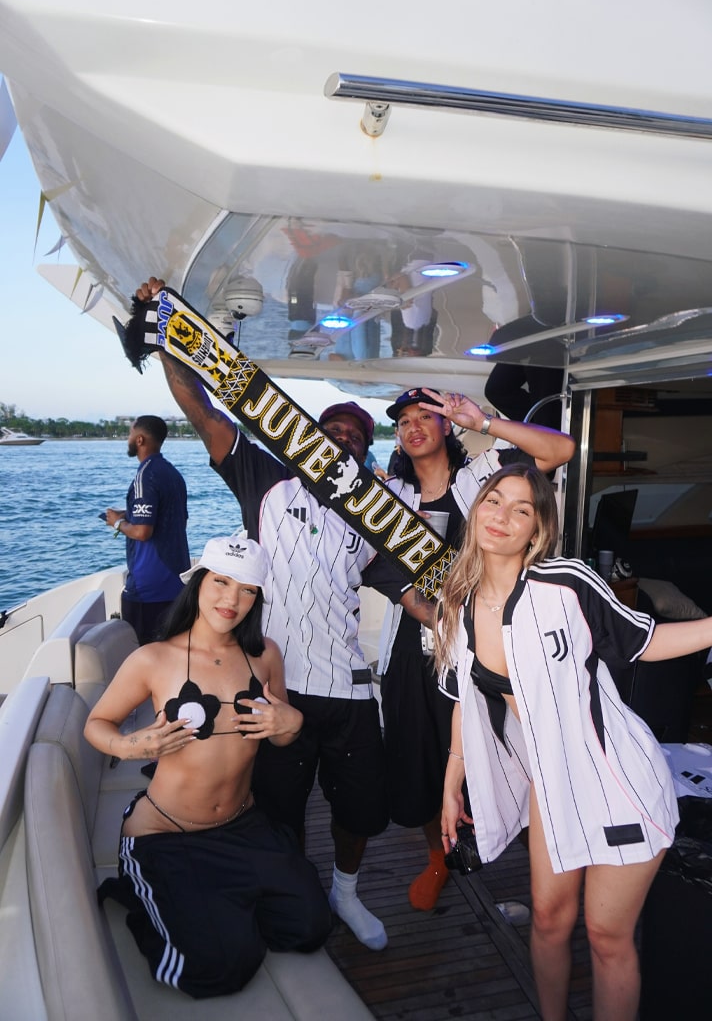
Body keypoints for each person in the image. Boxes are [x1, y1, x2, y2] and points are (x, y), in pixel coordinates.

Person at [129, 276, 432, 953]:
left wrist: (470, 621)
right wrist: (170, 330)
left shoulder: (375, 516)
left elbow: (413, 595)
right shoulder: (265, 481)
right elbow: (202, 408)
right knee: (277, 808)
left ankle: (346, 893)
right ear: (309, 441)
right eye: (332, 432)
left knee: (360, 811)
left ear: (364, 454)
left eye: (356, 437)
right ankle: (290, 886)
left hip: (349, 690)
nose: (343, 440)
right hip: (273, 686)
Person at [435, 463, 712, 1021]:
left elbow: (644, 641)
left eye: (521, 509)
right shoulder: (456, 600)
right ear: (477, 507)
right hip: (552, 785)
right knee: (548, 921)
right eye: (494, 500)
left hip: (618, 781)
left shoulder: (565, 583)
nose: (502, 516)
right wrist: (452, 781)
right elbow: (465, 694)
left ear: (537, 530)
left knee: (607, 937)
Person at [84, 532, 331, 998]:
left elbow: (280, 732)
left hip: (243, 826)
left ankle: (216, 899)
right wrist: (131, 746)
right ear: (198, 582)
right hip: (167, 833)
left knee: (310, 926)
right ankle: (145, 893)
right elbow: (96, 724)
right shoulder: (154, 658)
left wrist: (292, 721)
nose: (231, 600)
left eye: (247, 590)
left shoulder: (265, 655)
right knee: (219, 968)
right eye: (221, 582)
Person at [378, 388, 575, 911]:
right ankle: (438, 856)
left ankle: (538, 860)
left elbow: (560, 451)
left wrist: (483, 421)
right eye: (404, 420)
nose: (414, 426)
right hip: (413, 646)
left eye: (426, 416)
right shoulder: (387, 493)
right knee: (422, 758)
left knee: (512, 748)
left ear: (447, 425)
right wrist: (424, 609)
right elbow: (375, 566)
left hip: (489, 643)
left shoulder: (484, 478)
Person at [103, 415, 190, 645]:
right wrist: (128, 514)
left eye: (130, 434)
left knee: (144, 655)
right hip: (175, 585)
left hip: (148, 589)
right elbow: (173, 518)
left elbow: (142, 532)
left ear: (140, 439)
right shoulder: (173, 474)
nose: (128, 439)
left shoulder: (145, 476)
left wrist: (117, 523)